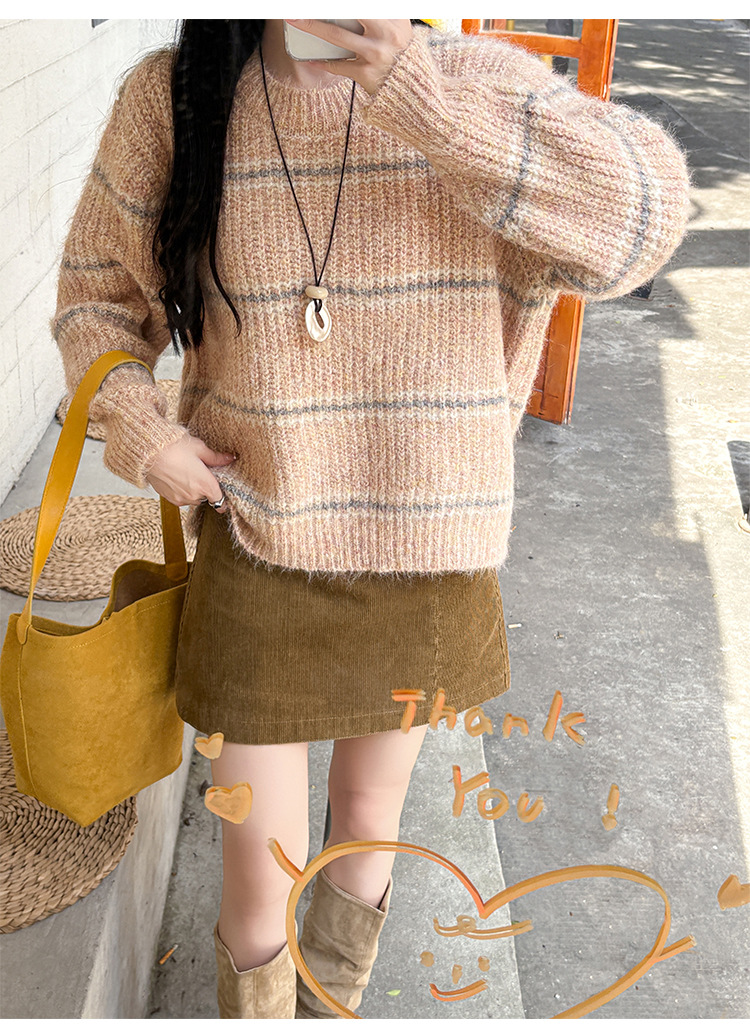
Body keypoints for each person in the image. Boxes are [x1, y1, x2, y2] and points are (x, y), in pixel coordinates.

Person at [50, 18, 692, 1018]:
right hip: (260, 538)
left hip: (428, 550)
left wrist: (427, 105)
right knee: (259, 876)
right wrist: (142, 429)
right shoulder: (175, 96)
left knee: (365, 827)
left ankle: (332, 1005)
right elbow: (95, 300)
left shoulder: (474, 81)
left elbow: (642, 223)